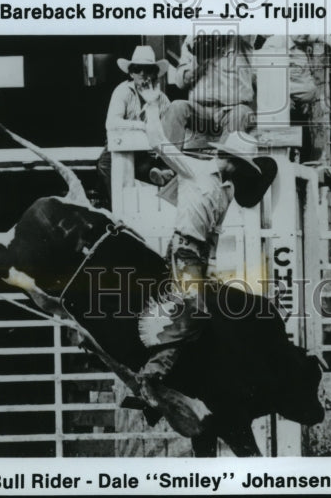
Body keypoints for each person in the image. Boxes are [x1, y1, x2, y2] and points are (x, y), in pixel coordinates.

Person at [136, 95, 277, 402]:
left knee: (208, 313)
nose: (242, 175)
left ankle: (185, 382)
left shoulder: (225, 191)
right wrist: (150, 109)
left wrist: (211, 266)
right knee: (195, 312)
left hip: (197, 255)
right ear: (233, 162)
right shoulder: (195, 170)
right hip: (184, 250)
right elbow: (160, 142)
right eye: (242, 168)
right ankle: (151, 374)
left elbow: (213, 234)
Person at [96, 45, 174, 204]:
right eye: (138, 69)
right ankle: (117, 209)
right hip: (121, 147)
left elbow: (170, 128)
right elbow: (111, 123)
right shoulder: (123, 91)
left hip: (149, 151)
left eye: (147, 69)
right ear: (131, 72)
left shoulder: (162, 99)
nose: (142, 74)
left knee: (163, 167)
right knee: (105, 165)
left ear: (155, 73)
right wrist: (141, 126)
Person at [162, 32, 256, 149]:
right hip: (201, 111)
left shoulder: (241, 36)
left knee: (240, 113)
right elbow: (180, 82)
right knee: (176, 107)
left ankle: (219, 165)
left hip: (232, 109)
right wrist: (199, 62)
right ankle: (170, 164)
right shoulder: (192, 38)